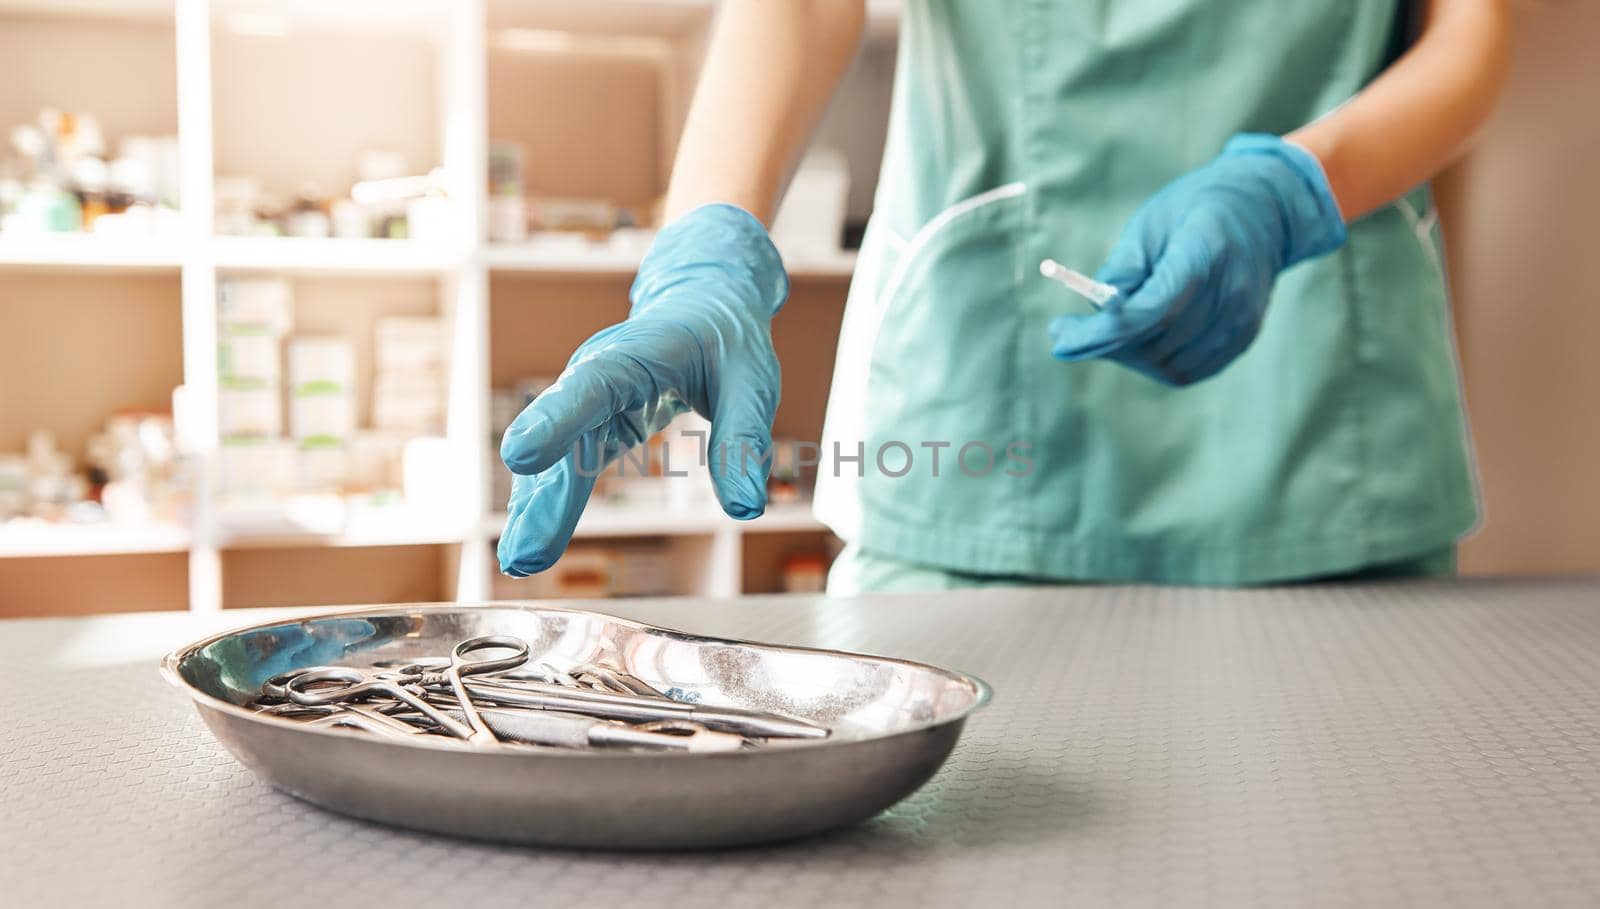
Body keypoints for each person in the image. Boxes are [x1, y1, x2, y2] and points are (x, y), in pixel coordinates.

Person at [497, 0, 1511, 594]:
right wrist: (704, 256)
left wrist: (1293, 190)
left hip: (1329, 411)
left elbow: (1470, 39)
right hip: (982, 408)